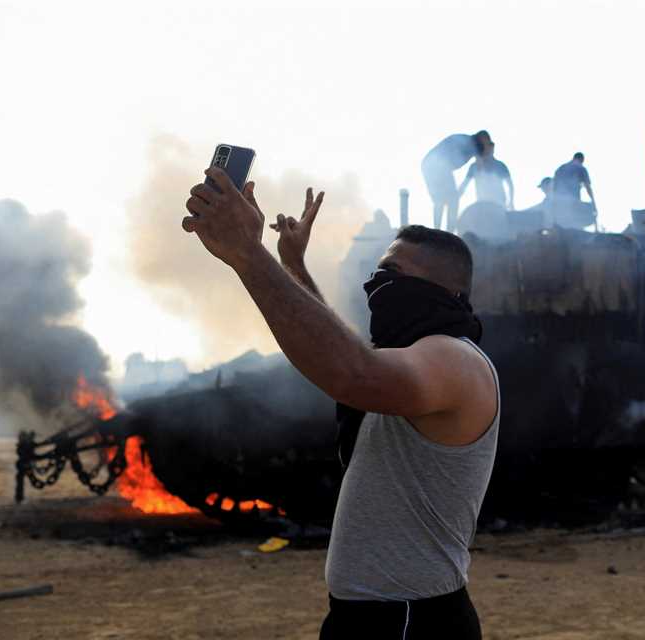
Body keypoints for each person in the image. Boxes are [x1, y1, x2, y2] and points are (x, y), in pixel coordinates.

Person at [184, 168, 498, 639]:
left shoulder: (455, 360)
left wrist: (249, 253)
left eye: (392, 273)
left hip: (410, 619)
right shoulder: (415, 361)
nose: (377, 283)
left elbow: (350, 373)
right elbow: (345, 358)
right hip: (375, 616)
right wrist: (294, 264)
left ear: (448, 291)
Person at [421, 130, 491, 232]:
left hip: (432, 165)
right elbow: (481, 161)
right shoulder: (470, 143)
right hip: (437, 166)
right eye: (486, 142)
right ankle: (445, 232)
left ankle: (440, 231)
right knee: (448, 200)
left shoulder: (470, 143)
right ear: (482, 138)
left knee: (442, 200)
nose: (486, 145)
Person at [457, 142, 513, 210]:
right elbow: (464, 184)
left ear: (493, 149)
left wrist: (511, 202)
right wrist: (456, 197)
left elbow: (510, 185)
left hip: (499, 204)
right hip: (483, 204)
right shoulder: (474, 167)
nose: (489, 151)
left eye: (491, 149)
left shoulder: (500, 165)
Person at [549, 152, 597, 228]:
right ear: (581, 160)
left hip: (558, 204)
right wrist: (593, 202)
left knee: (562, 227)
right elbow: (587, 187)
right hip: (572, 203)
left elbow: (553, 187)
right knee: (574, 227)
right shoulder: (580, 168)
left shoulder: (561, 168)